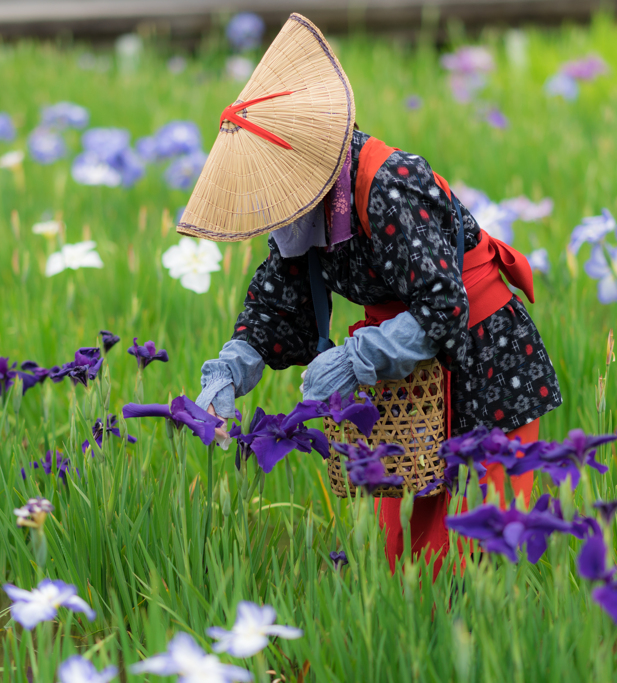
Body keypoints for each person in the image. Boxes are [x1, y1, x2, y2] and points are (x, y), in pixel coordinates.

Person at [178, 13, 562, 577]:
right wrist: (229, 371)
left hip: (482, 357)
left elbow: (442, 304)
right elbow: (278, 301)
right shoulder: (305, 213)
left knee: (484, 545)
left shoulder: (389, 185)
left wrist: (360, 357)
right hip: (408, 384)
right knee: (404, 553)